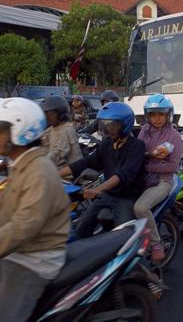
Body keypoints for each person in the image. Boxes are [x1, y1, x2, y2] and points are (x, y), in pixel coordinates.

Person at [0, 97, 71, 322]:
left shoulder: (40, 170)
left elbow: (24, 225)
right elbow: (2, 201)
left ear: (20, 130)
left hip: (34, 258)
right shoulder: (19, 162)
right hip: (12, 250)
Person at [59, 102, 146, 238]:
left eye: (112, 125)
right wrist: (54, 174)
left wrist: (98, 189)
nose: (107, 129)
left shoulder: (137, 146)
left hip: (127, 197)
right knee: (82, 227)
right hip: (109, 195)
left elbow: (123, 174)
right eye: (105, 124)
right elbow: (86, 162)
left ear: (125, 124)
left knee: (123, 237)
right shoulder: (107, 144)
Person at [134, 94, 183, 262]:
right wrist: (149, 156)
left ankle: (156, 243)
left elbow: (172, 166)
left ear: (168, 115)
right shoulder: (144, 131)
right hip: (142, 178)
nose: (156, 118)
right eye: (153, 114)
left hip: (163, 180)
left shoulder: (174, 137)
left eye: (161, 114)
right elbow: (138, 154)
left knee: (140, 208)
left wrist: (147, 165)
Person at [41, 96, 82, 169]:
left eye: (51, 113)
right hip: (56, 171)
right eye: (45, 113)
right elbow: (42, 145)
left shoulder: (67, 129)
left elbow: (59, 153)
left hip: (70, 176)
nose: (47, 116)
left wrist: (41, 163)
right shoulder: (51, 129)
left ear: (61, 113)